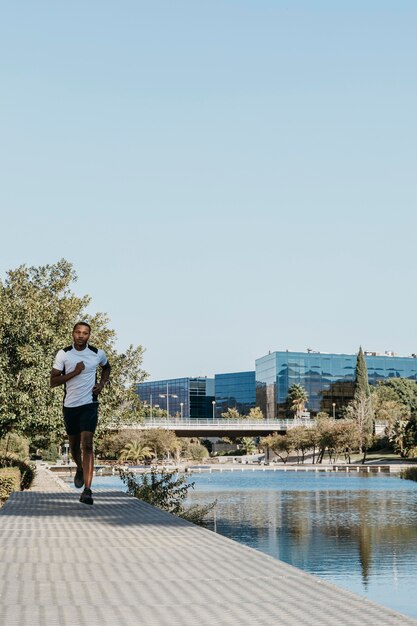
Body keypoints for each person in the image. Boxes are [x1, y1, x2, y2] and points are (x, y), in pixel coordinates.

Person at [50, 322, 111, 505]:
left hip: (89, 404)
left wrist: (101, 384)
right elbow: (53, 381)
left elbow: (107, 368)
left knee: (88, 445)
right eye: (78, 332)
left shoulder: (97, 353)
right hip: (70, 406)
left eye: (85, 333)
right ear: (73, 334)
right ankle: (79, 468)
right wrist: (75, 372)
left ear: (89, 335)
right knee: (74, 446)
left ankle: (87, 491)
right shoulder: (64, 354)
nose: (81, 335)